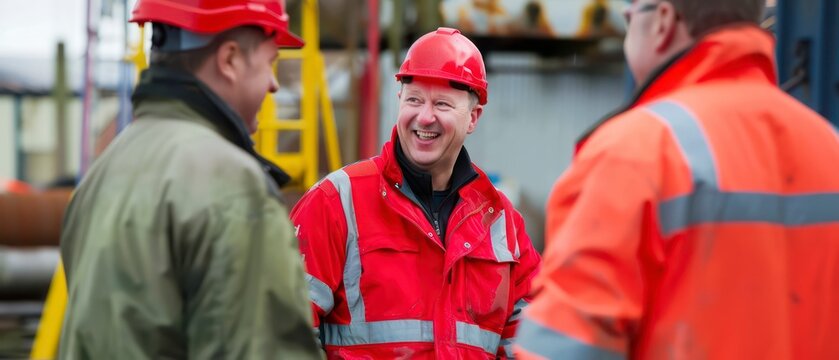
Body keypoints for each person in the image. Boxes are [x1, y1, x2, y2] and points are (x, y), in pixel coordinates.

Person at [515, 0, 839, 358]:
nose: (628, 23)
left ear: (663, 21)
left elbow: (567, 349)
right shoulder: (829, 145)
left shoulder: (635, 152)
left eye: (630, 14)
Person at [58, 0, 322, 358]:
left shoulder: (103, 172)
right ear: (230, 60)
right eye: (269, 63)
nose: (273, 84)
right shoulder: (231, 184)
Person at [290, 27, 541, 359]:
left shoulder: (500, 222)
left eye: (442, 104)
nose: (424, 117)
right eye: (414, 100)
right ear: (399, 101)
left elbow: (534, 342)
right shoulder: (335, 202)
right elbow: (284, 331)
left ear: (473, 118)